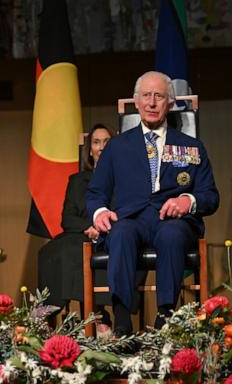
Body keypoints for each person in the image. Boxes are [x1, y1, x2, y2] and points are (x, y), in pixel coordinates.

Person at [86, 71, 219, 336]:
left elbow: (211, 196)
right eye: (146, 95)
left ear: (169, 103)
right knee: (120, 232)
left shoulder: (192, 147)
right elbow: (95, 192)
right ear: (136, 101)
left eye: (159, 96)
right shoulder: (117, 146)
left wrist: (187, 200)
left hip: (173, 222)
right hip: (131, 219)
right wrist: (100, 212)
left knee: (171, 234)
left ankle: (166, 316)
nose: (152, 102)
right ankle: (122, 317)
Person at [38, 124, 114, 323]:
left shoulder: (121, 178)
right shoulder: (77, 180)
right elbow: (67, 218)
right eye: (96, 142)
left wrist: (99, 227)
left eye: (107, 142)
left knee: (76, 249)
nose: (102, 147)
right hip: (80, 232)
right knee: (50, 251)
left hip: (110, 233)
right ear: (90, 150)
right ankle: (48, 312)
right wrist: (87, 227)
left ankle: (97, 315)